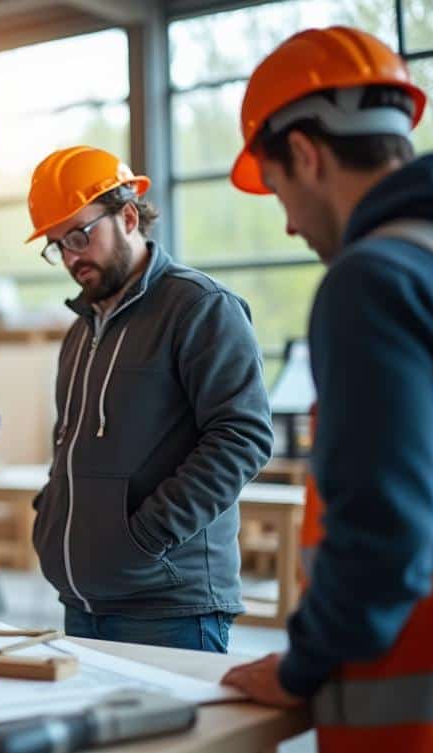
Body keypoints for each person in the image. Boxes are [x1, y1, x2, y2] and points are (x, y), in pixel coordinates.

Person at [219, 27, 433, 753]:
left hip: (422, 728)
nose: (291, 224)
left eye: (280, 192)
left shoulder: (376, 282)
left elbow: (380, 537)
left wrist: (300, 666)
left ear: (306, 154)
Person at [27, 146, 272, 651]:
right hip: (83, 602)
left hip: (168, 605)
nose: (71, 257)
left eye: (79, 236)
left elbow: (243, 437)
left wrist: (146, 537)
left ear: (128, 217)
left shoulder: (201, 308)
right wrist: (49, 519)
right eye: (57, 245)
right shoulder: (81, 330)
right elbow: (68, 445)